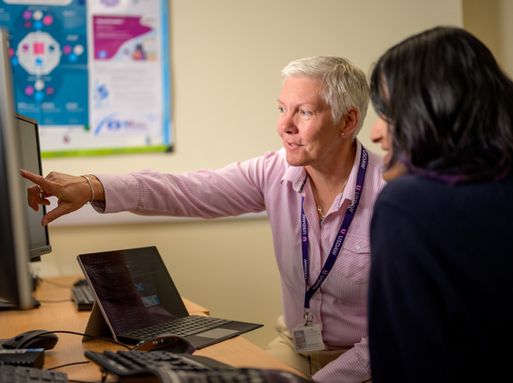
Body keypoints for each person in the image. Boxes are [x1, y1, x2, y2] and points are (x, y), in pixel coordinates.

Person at [22, 56, 385, 382]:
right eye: (280, 109)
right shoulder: (273, 171)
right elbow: (190, 189)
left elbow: (395, 336)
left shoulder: (391, 196)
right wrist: (92, 187)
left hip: (366, 360)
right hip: (297, 343)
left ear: (347, 121)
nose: (284, 126)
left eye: (303, 112)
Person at [367, 26, 513, 382]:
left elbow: (404, 366)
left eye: (388, 112)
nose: (375, 132)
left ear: (433, 111)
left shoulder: (409, 206)